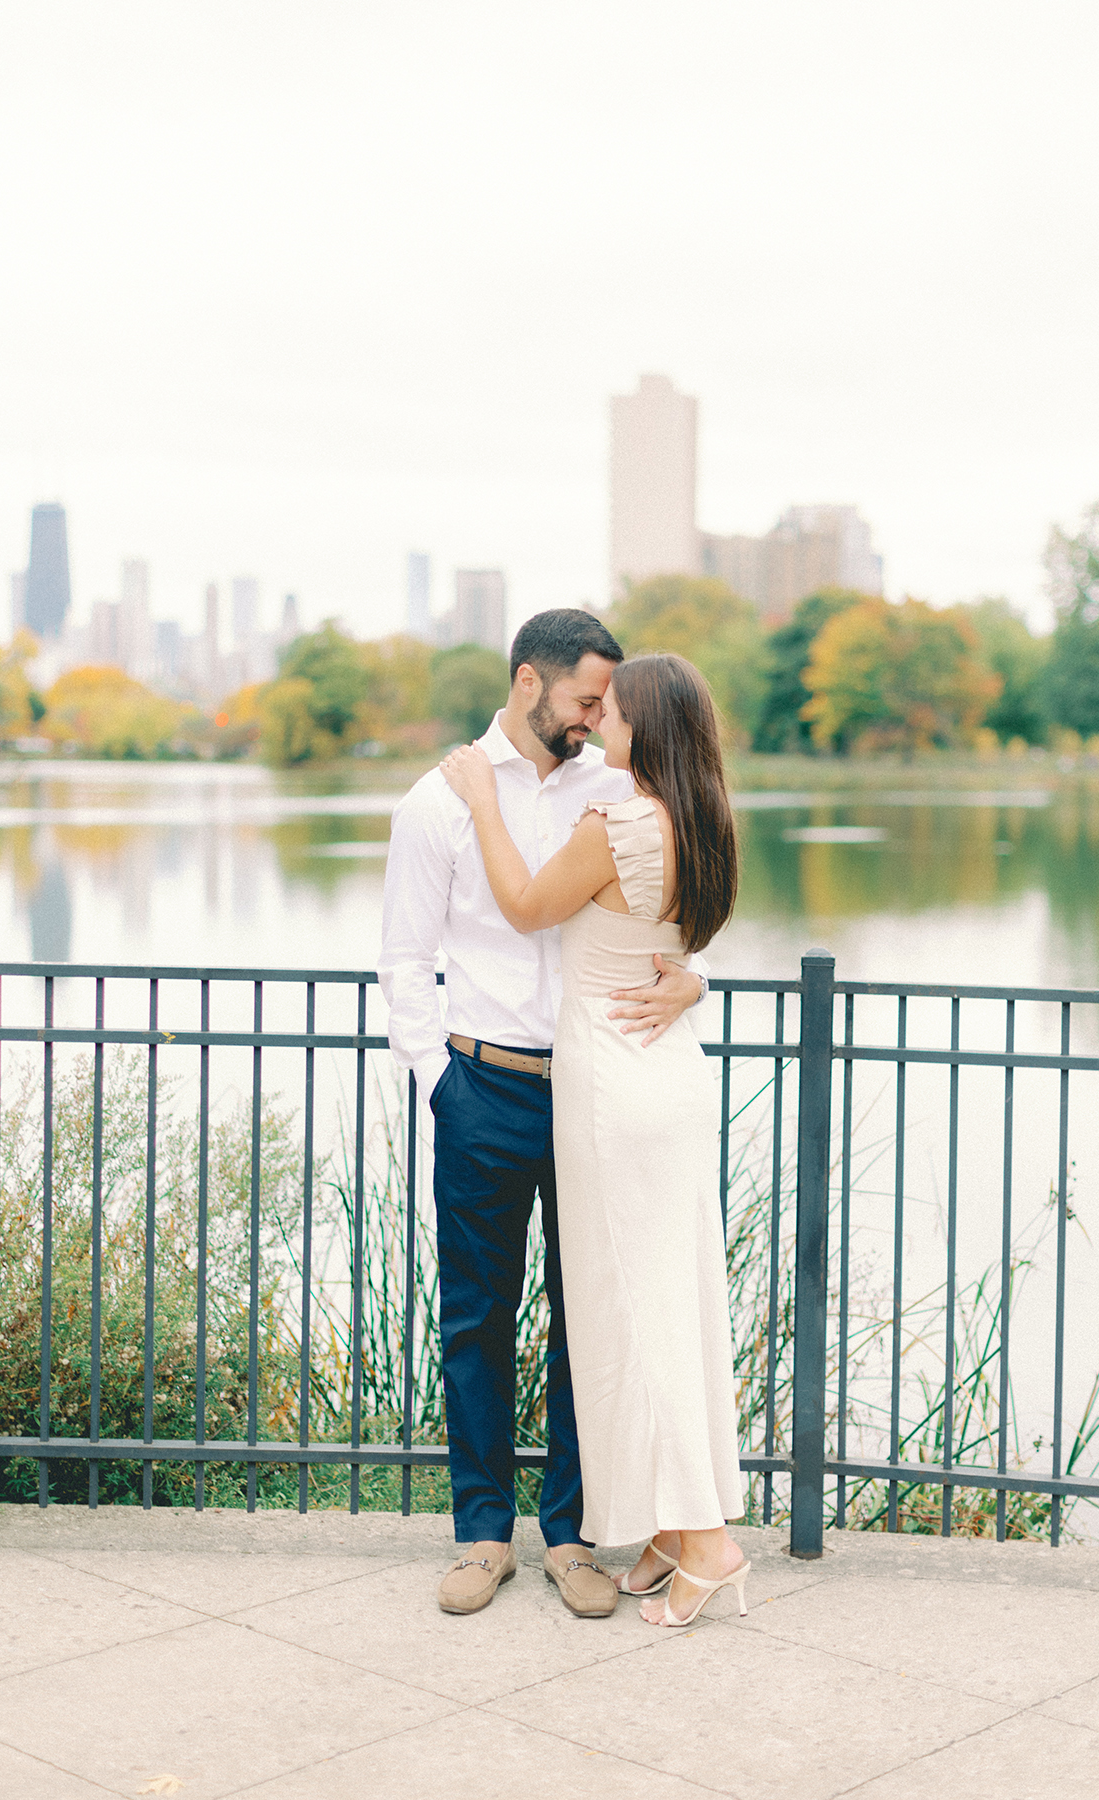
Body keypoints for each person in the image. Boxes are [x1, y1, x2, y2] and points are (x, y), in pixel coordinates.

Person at [378, 611, 708, 1618]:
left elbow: (674, 908)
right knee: (475, 1317)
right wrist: (441, 1076)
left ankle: (572, 1536)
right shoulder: (438, 803)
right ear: (530, 682)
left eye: (606, 704)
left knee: (591, 1315)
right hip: (484, 1087)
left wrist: (696, 981)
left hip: (596, 1095)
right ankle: (483, 1532)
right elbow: (404, 959)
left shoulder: (617, 788)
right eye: (584, 700)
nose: (597, 717)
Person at [439, 651, 748, 1629]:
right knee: (677, 1303)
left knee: (642, 1317)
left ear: (642, 727)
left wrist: (484, 800)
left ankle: (708, 1542)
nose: (595, 721)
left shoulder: (615, 821)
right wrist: (693, 980)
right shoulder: (700, 817)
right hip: (672, 1076)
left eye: (610, 710)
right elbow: (679, 946)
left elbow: (527, 906)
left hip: (616, 1084)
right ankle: (670, 1527)